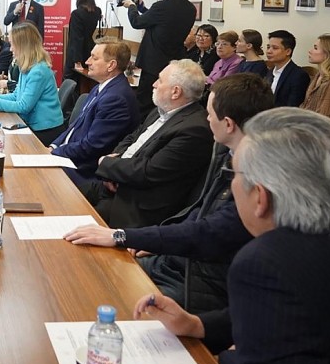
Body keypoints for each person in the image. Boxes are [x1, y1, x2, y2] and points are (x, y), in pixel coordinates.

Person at [133, 108, 330, 364]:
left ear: (261, 198)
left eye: (236, 175)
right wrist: (198, 325)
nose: (232, 188)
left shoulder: (264, 262)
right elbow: (291, 312)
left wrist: (230, 356)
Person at [66, 73, 273, 314]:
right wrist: (155, 243)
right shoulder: (224, 151)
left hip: (199, 277)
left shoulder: (252, 172)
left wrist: (124, 236)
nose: (206, 118)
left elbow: (209, 231)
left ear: (228, 124)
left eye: (210, 113)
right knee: (91, 270)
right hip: (178, 257)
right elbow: (199, 209)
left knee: (106, 292)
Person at [93, 59, 213, 228]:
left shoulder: (194, 130)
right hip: (116, 184)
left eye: (160, 80)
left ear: (175, 92)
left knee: (70, 222)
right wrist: (111, 167)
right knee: (64, 195)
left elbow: (148, 172)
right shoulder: (161, 110)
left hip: (137, 206)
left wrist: (107, 163)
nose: (154, 84)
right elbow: (132, 138)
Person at [50, 37, 140, 188]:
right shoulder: (101, 87)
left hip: (84, 170)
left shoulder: (116, 99)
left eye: (94, 57)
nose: (87, 61)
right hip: (70, 157)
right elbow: (74, 127)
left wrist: (56, 153)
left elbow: (91, 146)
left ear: (111, 65)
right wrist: (53, 147)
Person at [123, 0, 196, 116]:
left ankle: (140, 135)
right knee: (164, 104)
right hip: (173, 63)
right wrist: (142, 8)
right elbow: (161, 21)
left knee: (144, 104)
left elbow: (137, 22)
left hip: (152, 64)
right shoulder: (190, 9)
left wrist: (131, 6)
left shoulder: (162, 6)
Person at [0, 23, 64, 146]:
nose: (10, 49)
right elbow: (15, 96)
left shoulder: (38, 71)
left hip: (45, 131)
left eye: (13, 44)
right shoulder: (26, 67)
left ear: (24, 46)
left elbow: (23, 106)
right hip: (33, 125)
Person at [64, 0, 102, 84]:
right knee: (87, 82)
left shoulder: (77, 14)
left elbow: (76, 38)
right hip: (89, 49)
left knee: (71, 81)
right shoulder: (97, 11)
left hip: (76, 53)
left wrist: (77, 61)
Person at [264, 29, 309, 107]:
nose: (269, 51)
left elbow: (293, 106)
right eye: (268, 47)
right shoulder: (270, 72)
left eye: (275, 48)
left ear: (288, 51)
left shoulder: (299, 75)